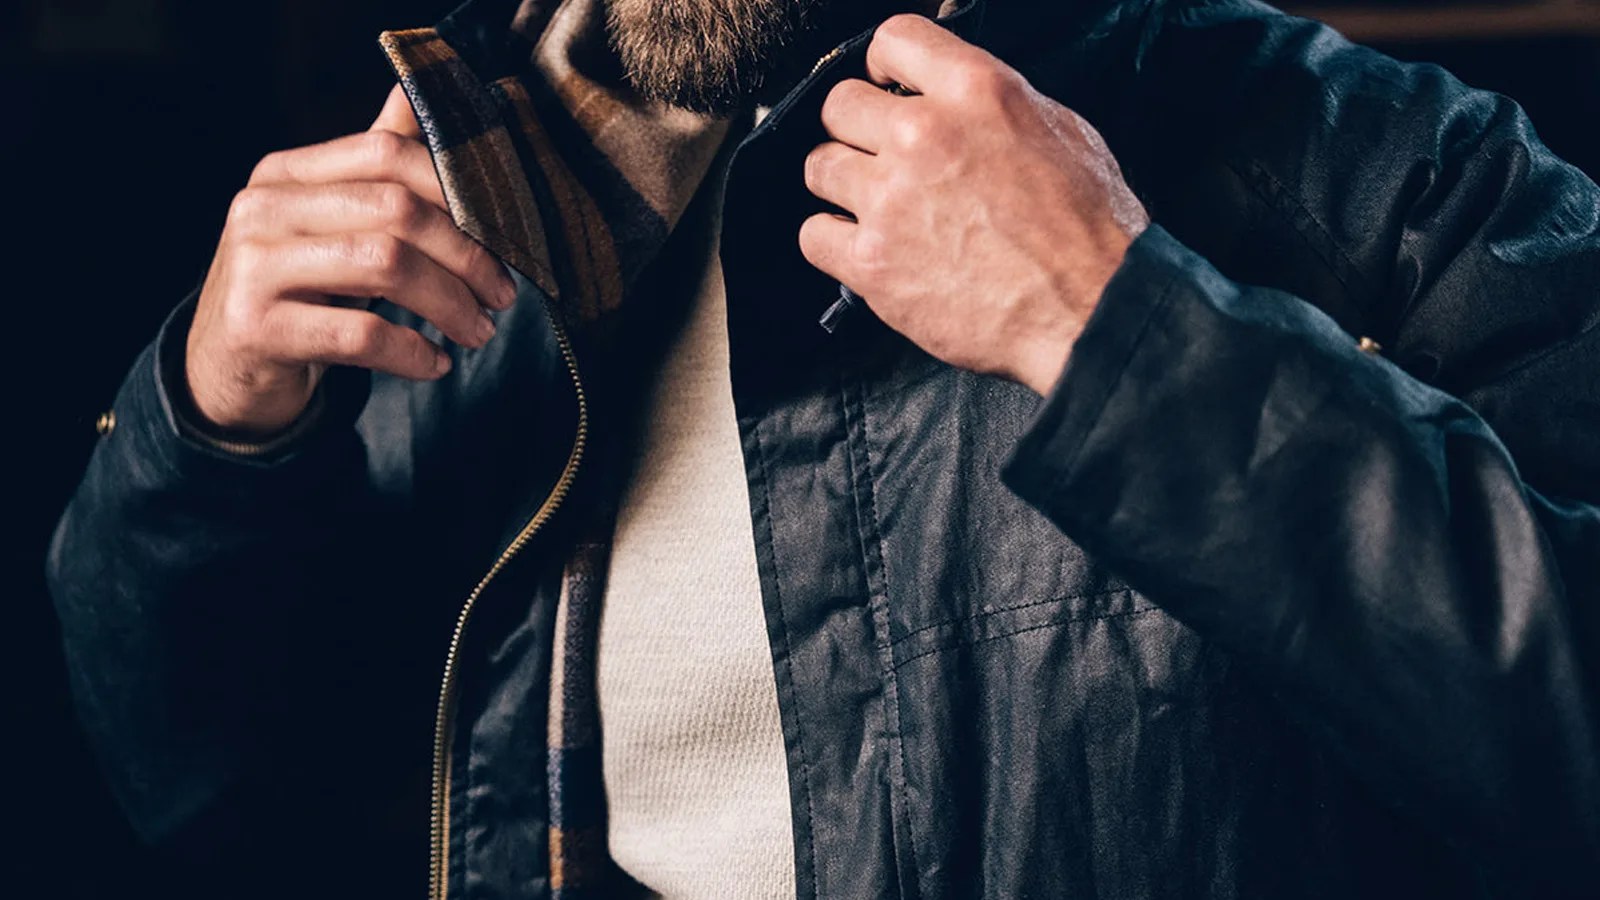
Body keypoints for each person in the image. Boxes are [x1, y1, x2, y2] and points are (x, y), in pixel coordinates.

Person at [47, 0, 1600, 896]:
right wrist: (208, 424)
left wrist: (1118, 329)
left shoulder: (1401, 168)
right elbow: (202, 797)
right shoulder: (464, 226)